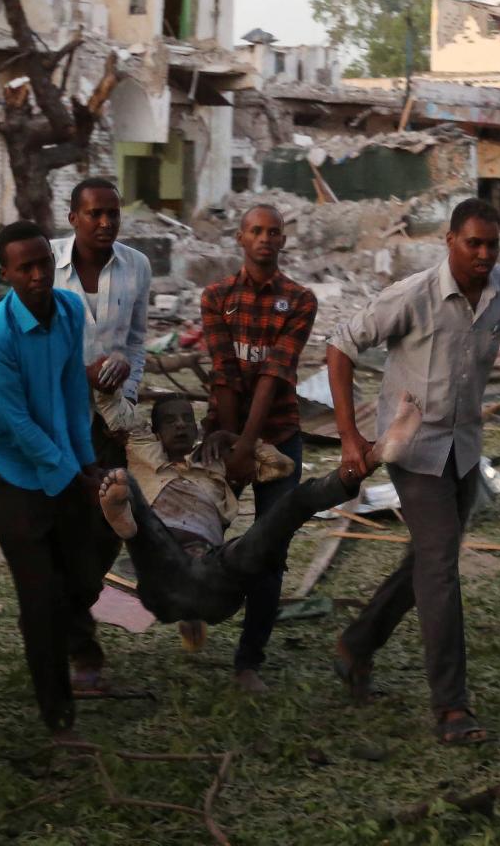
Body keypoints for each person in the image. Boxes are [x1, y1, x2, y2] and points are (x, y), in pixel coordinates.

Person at [327, 197, 500, 745]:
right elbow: (341, 345)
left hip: (464, 448)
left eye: (492, 245)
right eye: (474, 244)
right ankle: (451, 708)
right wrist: (350, 438)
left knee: (426, 559)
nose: (484, 255)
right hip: (412, 448)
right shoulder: (413, 296)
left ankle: (357, 644)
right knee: (440, 567)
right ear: (450, 242)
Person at [98, 394, 424, 626]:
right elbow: (110, 404)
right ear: (155, 432)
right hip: (161, 582)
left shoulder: (216, 462)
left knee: (291, 504)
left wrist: (238, 442)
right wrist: (109, 370)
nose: (181, 426)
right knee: (126, 486)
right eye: (170, 421)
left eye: (188, 419)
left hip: (214, 577)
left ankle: (373, 457)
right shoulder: (143, 452)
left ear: (199, 429)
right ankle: (128, 524)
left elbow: (279, 467)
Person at [0, 220, 105, 740]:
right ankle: (58, 715)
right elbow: (16, 423)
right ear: (5, 273)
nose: (36, 275)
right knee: (42, 596)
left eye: (42, 263)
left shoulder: (70, 310)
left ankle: (45, 627)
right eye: (23, 267)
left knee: (86, 576)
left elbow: (74, 390)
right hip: (9, 470)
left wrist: (85, 461)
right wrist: (71, 474)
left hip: (63, 461)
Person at [198, 204, 317, 693]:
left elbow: (274, 375)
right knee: (197, 534)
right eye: (256, 231)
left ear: (284, 241)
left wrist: (249, 447)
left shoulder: (300, 300)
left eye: (273, 232)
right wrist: (231, 447)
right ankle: (193, 606)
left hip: (279, 437)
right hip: (222, 437)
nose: (265, 239)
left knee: (271, 547)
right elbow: (224, 371)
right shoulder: (216, 297)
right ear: (240, 239)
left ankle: (249, 661)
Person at [52, 178, 152, 463]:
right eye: (95, 213)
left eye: (113, 213)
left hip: (110, 415)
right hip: (57, 412)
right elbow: (33, 343)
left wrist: (128, 397)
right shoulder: (47, 261)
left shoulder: (137, 265)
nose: (106, 222)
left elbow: (135, 340)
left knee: (109, 498)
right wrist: (84, 374)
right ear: (73, 218)